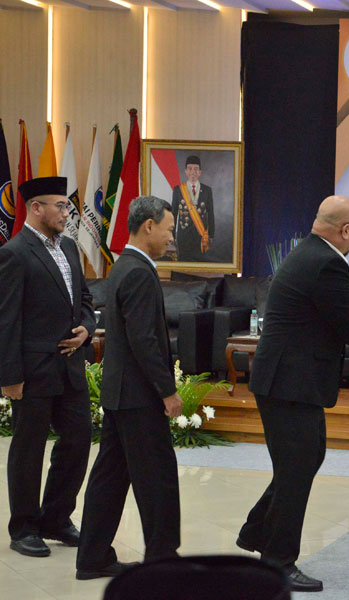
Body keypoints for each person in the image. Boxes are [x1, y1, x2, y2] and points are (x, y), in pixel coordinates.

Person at [237, 195, 349, 592]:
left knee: (305, 459)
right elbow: (344, 316)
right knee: (296, 468)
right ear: (346, 230)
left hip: (286, 381)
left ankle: (256, 532)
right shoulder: (328, 262)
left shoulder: (309, 252)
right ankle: (278, 560)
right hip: (289, 384)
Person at [76, 196, 183, 580]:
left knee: (109, 478)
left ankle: (92, 558)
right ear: (149, 226)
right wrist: (167, 391)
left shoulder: (124, 265)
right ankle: (162, 558)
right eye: (168, 229)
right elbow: (144, 340)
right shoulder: (138, 271)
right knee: (158, 478)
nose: (172, 237)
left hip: (120, 395)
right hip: (139, 399)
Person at [0, 176, 94, 558]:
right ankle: (24, 527)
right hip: (33, 371)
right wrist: (9, 377)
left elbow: (85, 300)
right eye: (60, 205)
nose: (67, 211)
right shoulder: (14, 253)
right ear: (35, 208)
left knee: (78, 441)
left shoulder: (70, 248)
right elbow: (6, 320)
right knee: (28, 450)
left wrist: (87, 328)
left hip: (70, 369)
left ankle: (56, 518)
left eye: (68, 205)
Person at [172, 155, 214, 262]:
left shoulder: (207, 190)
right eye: (190, 168)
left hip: (201, 237)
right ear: (185, 171)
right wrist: (172, 236)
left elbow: (211, 214)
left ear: (200, 172)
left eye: (196, 169)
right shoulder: (178, 190)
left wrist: (211, 235)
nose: (193, 172)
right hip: (183, 236)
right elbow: (173, 214)